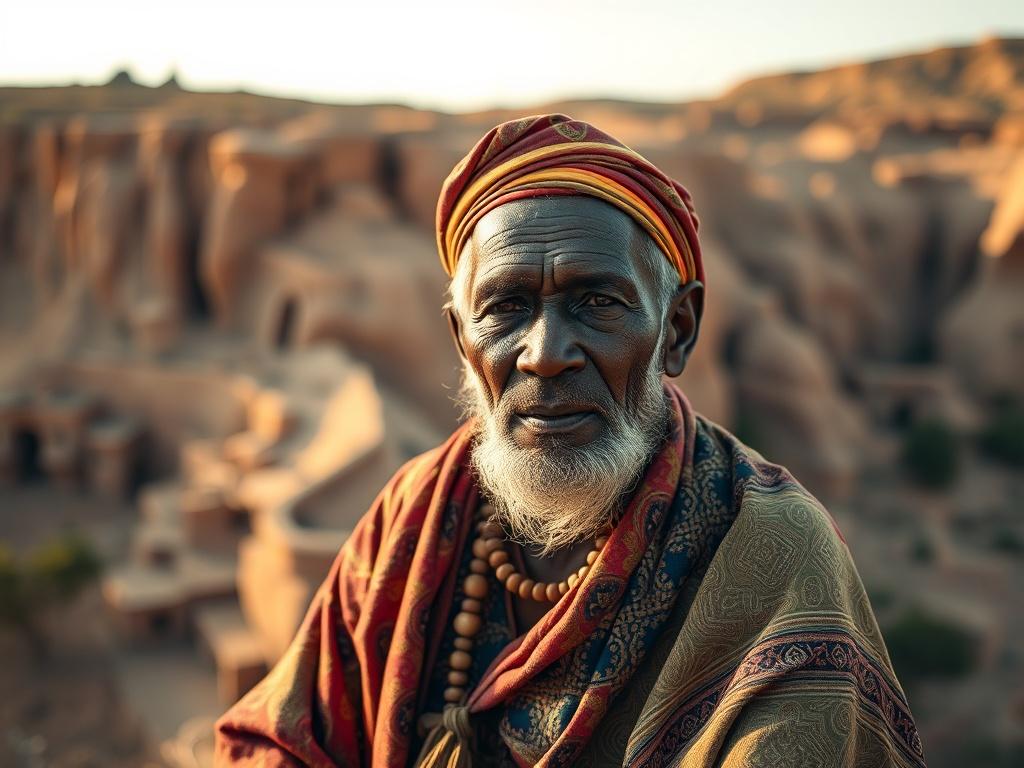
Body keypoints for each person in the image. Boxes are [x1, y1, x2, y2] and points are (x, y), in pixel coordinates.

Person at [215, 114, 925, 767]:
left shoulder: (774, 554)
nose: (545, 353)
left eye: (598, 302)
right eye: (506, 308)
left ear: (677, 331)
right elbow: (281, 737)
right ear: (463, 343)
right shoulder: (418, 508)